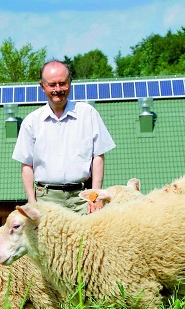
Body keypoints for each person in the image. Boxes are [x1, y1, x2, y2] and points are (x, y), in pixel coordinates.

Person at [12, 59, 116, 214]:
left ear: (70, 83)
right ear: (42, 86)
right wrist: (32, 202)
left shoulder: (88, 114)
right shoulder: (32, 121)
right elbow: (26, 165)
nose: (58, 89)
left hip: (83, 199)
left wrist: (95, 196)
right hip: (46, 200)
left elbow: (98, 156)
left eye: (62, 83)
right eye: (52, 85)